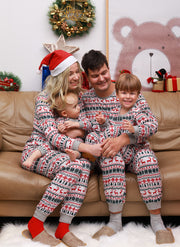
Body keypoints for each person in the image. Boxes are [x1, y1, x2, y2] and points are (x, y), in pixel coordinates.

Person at [80, 50, 174, 244]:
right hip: (109, 151)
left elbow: (149, 125)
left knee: (147, 160)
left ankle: (157, 221)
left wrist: (124, 139)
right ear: (87, 77)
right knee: (110, 158)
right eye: (95, 75)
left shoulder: (127, 90)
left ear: (108, 69)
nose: (101, 78)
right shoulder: (86, 100)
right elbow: (89, 127)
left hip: (136, 148)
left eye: (104, 72)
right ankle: (115, 221)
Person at [21, 50, 102, 247]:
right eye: (70, 73)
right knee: (76, 166)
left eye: (77, 72)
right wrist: (86, 147)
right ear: (59, 76)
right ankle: (36, 223)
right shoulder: (44, 100)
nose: (75, 77)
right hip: (39, 152)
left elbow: (90, 124)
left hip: (65, 153)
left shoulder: (78, 97)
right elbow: (53, 137)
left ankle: (63, 228)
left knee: (83, 166)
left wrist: (79, 128)